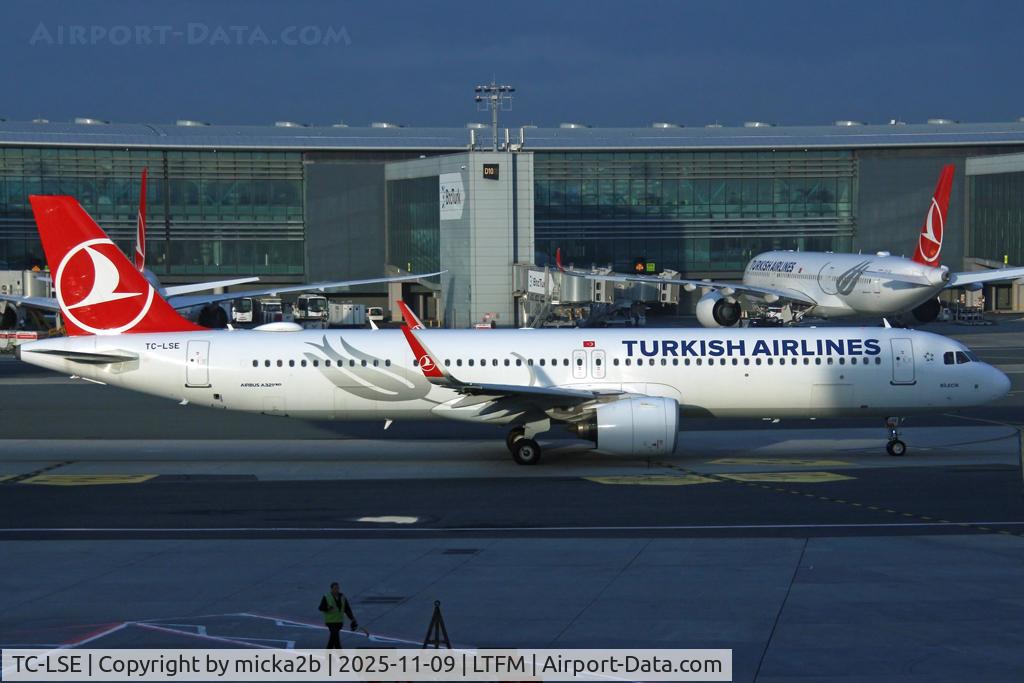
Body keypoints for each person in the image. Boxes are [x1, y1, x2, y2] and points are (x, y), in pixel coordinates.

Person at [318, 582, 358, 649]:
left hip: (339, 621)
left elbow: (347, 609)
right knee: (335, 636)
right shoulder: (326, 596)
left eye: (338, 588)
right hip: (330, 621)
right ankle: (338, 653)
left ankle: (331, 652)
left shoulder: (342, 597)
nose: (337, 590)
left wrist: (352, 618)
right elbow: (321, 608)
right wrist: (328, 608)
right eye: (335, 588)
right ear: (331, 589)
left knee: (334, 637)